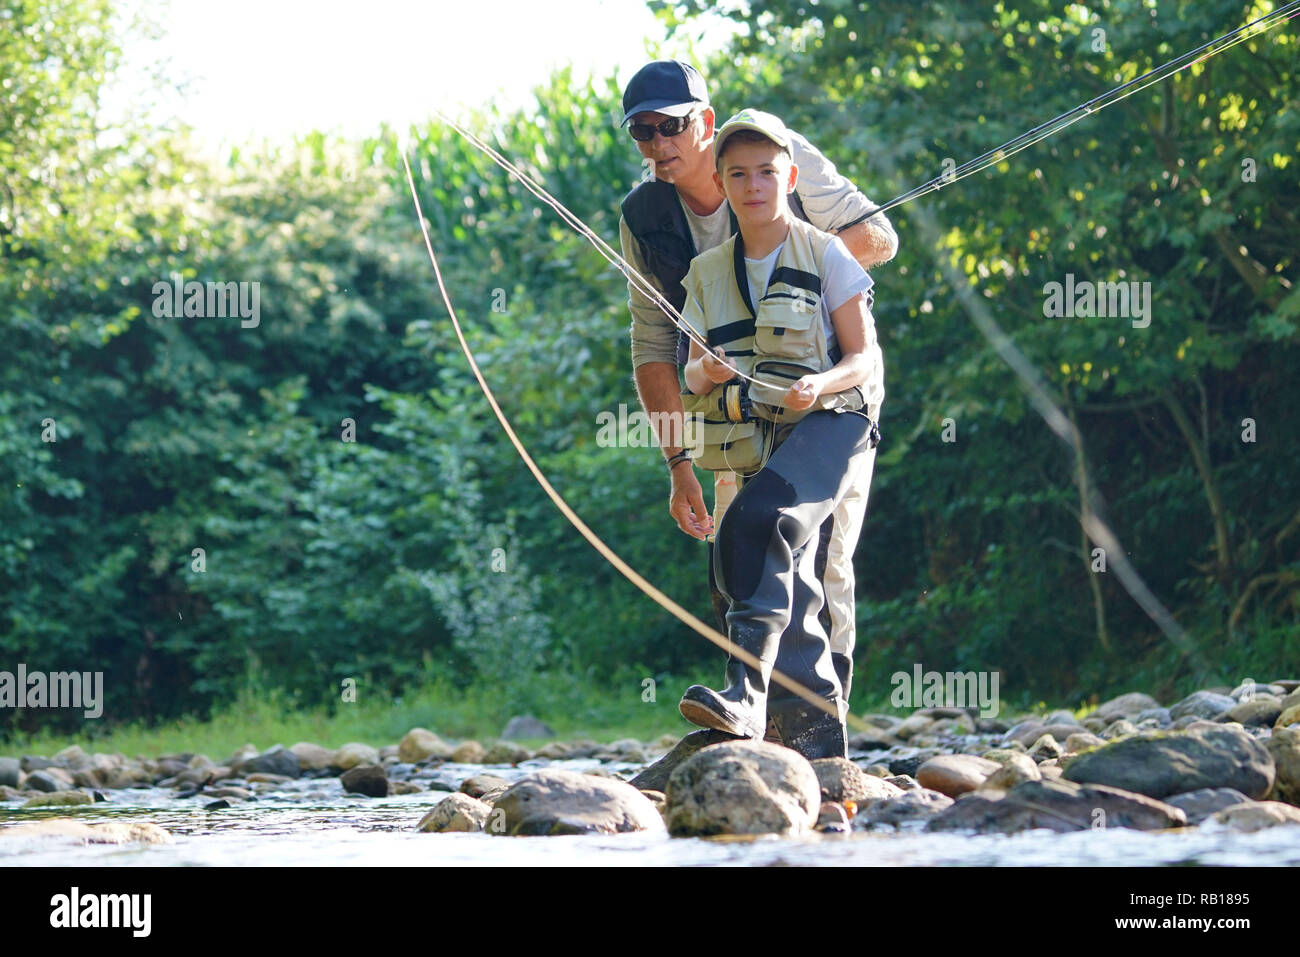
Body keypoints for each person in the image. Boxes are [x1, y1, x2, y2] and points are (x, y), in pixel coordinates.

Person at [617, 60, 895, 758]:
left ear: (704, 122)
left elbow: (880, 238)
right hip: (735, 405)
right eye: (642, 132)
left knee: (818, 552)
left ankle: (823, 741)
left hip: (831, 391)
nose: (658, 145)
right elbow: (654, 347)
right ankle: (764, 729)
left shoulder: (772, 154)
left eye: (672, 125)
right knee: (741, 542)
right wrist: (679, 462)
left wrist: (790, 292)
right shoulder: (645, 217)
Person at [673, 108, 884, 746]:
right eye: (738, 174)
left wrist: (821, 383)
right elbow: (688, 378)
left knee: (761, 523)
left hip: (839, 420)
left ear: (790, 176)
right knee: (760, 550)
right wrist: (707, 373)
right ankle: (813, 736)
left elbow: (862, 357)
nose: (754, 184)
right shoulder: (705, 273)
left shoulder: (829, 254)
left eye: (767, 171)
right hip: (759, 434)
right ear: (723, 182)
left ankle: (746, 697)